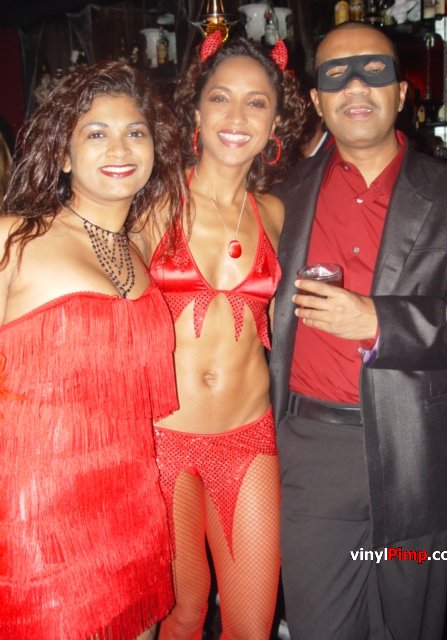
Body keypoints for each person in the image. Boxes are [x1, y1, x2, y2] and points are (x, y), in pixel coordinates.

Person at [269, 21, 447, 640]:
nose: (356, 86)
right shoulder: (278, 198)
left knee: (410, 625)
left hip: (418, 453)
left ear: (402, 93)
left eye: (374, 71)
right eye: (337, 75)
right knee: (320, 626)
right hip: (311, 453)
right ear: (317, 101)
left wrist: (377, 321)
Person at [0, 60, 185, 639]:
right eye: (96, 133)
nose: (120, 148)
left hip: (133, 508)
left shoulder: (138, 252)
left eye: (136, 132)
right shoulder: (14, 239)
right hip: (38, 521)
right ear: (63, 154)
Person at [140, 33, 305, 639]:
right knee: (182, 613)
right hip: (162, 440)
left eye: (257, 103)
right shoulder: (151, 203)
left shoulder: (277, 213)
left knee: (252, 627)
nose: (237, 117)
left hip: (249, 438)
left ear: (275, 122)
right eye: (221, 98)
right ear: (196, 109)